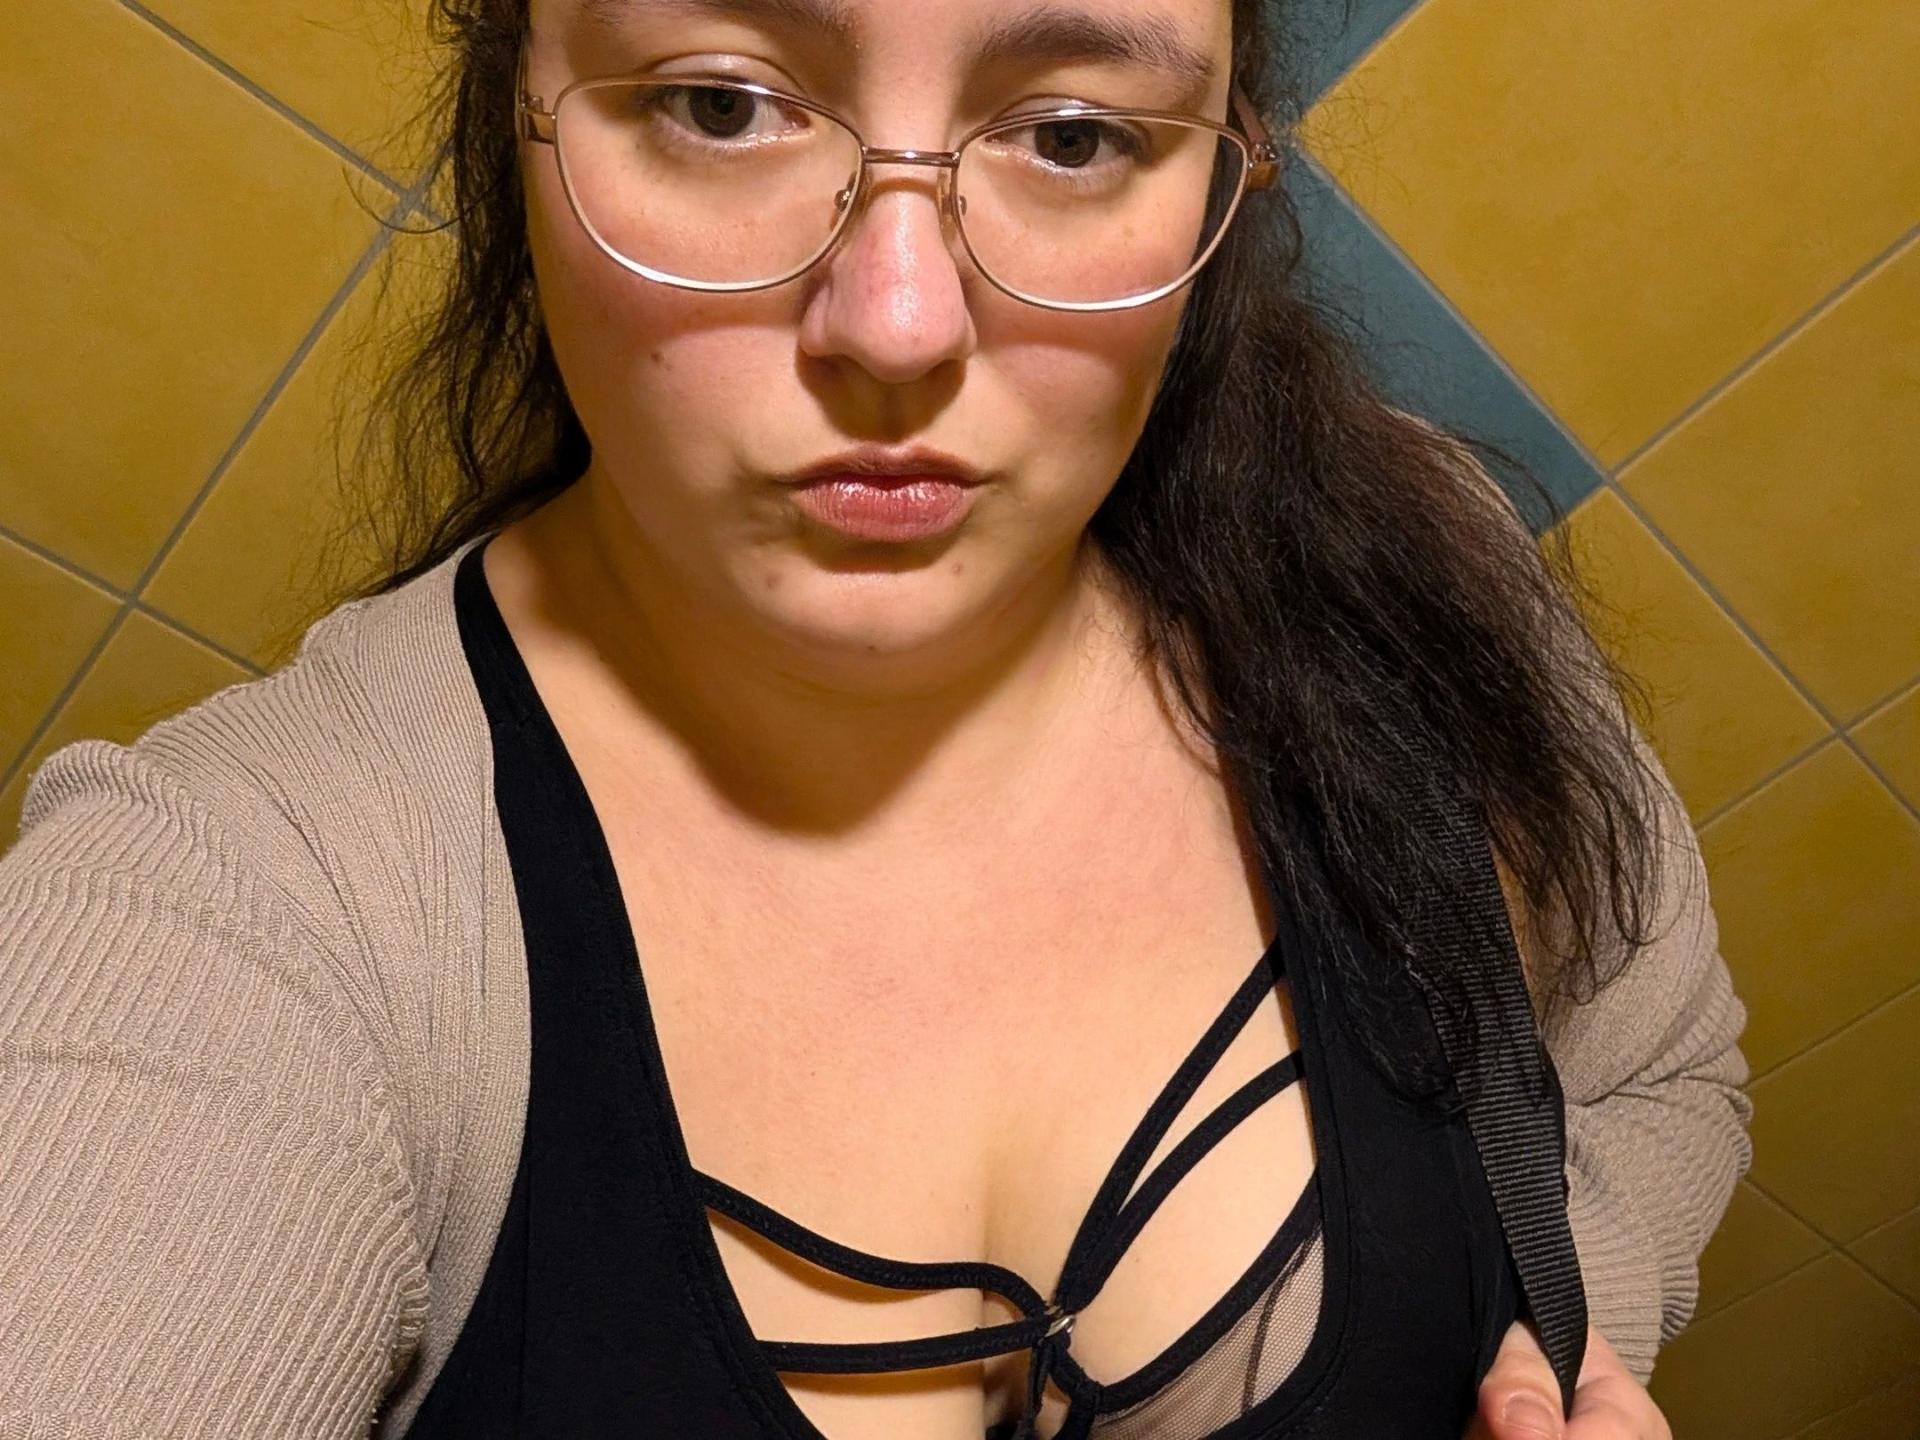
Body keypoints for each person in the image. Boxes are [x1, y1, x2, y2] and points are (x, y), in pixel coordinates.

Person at [0, 0, 1752, 1436]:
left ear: (1223, 162)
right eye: (719, 105)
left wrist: (1547, 1346)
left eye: (1078, 135)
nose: (901, 325)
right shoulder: (247, 905)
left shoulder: (1421, 574)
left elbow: (1659, 1072)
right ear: (515, 109)